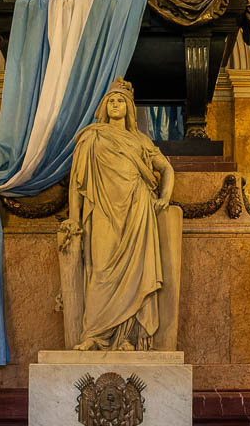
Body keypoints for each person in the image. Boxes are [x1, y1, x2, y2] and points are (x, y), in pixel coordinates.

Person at [62, 77, 176, 351]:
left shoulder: (140, 139)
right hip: (102, 210)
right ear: (104, 106)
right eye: (111, 100)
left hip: (137, 212)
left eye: (120, 101)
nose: (115, 104)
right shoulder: (92, 136)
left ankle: (125, 337)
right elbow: (78, 184)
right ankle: (93, 335)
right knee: (100, 269)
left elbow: (167, 169)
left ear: (129, 108)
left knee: (135, 275)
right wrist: (74, 219)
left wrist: (164, 197)